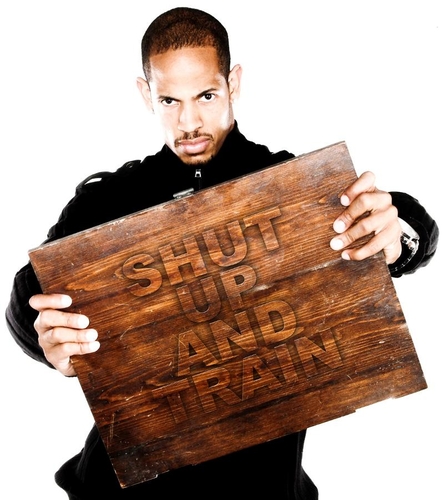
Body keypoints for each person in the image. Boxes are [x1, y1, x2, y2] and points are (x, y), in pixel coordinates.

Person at [5, 7, 439, 500]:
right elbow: (27, 294)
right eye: (169, 100)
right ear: (146, 94)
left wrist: (397, 238)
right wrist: (47, 340)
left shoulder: (291, 188)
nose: (189, 122)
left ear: (233, 83)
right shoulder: (107, 201)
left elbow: (410, 222)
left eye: (206, 96)